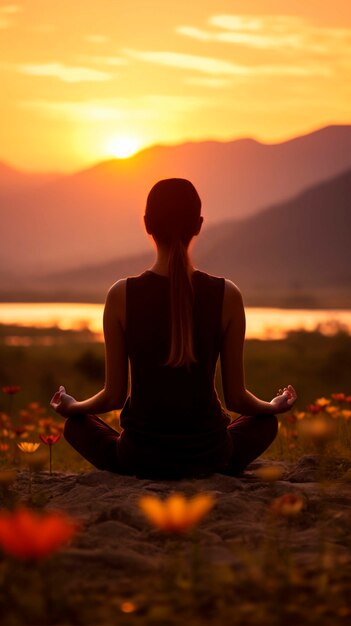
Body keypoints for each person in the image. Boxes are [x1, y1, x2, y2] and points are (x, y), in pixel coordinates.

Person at [51, 178, 297, 479]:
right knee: (265, 423)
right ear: (199, 225)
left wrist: (73, 406)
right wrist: (272, 406)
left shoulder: (121, 295)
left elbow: (113, 397)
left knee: (75, 425)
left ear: (146, 224)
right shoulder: (227, 295)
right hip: (211, 456)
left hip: (138, 457)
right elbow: (237, 399)